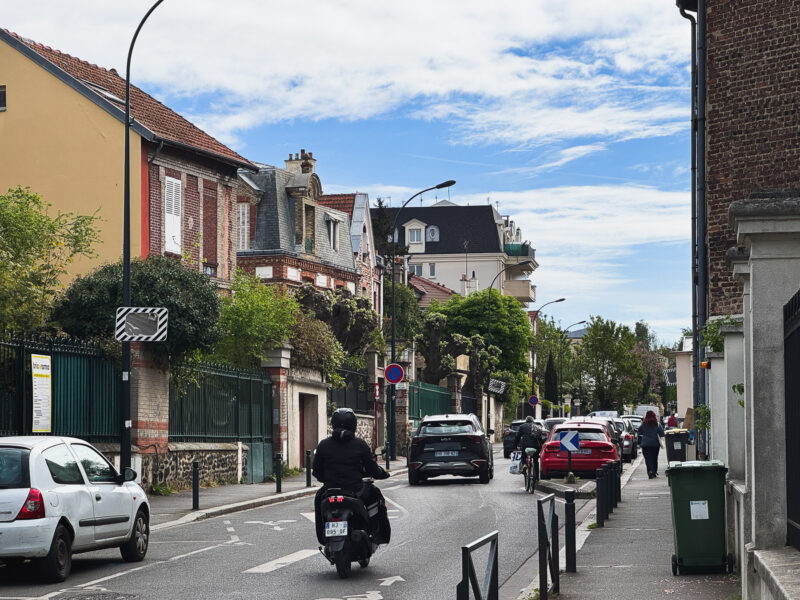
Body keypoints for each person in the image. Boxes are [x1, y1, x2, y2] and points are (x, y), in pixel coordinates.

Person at [312, 408, 391, 544]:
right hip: (355, 490)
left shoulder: (323, 445)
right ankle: (378, 533)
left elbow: (316, 471)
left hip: (330, 490)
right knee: (375, 495)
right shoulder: (360, 444)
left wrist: (326, 479)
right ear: (354, 424)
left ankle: (322, 536)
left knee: (318, 500)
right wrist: (382, 474)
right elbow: (372, 468)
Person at [639, 410, 665, 479]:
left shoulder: (644, 424)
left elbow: (639, 431)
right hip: (655, 444)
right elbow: (662, 433)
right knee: (654, 458)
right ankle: (654, 471)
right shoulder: (657, 424)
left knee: (647, 458)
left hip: (645, 444)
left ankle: (650, 471)